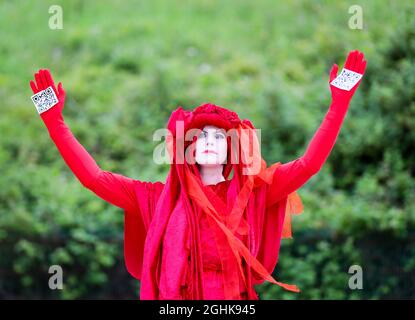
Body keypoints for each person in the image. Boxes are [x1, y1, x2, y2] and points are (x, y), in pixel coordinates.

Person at [29, 50, 367, 300]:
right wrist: (55, 122)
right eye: (199, 136)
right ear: (187, 149)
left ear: (232, 150)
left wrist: (339, 103)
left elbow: (309, 164)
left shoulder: (257, 192)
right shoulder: (155, 197)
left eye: (218, 137)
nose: (208, 142)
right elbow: (93, 178)